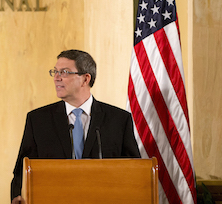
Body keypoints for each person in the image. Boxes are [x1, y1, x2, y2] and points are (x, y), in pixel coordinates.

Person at [10, 49, 140, 203]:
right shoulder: (38, 119)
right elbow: (21, 171)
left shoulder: (118, 119)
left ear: (85, 79)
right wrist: (17, 198)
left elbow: (133, 170)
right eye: (55, 72)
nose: (56, 78)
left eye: (64, 72)